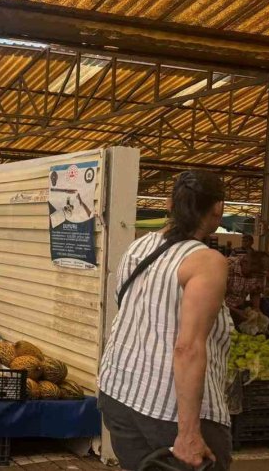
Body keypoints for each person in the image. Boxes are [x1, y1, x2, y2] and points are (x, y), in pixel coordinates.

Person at [98, 170, 232, 471]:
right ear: (217, 208)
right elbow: (188, 348)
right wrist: (188, 434)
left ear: (171, 204)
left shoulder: (140, 246)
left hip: (118, 391)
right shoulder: (206, 262)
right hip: (168, 409)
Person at [225, 251, 269, 325]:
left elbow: (256, 291)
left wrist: (256, 308)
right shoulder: (227, 266)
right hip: (219, 309)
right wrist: (235, 311)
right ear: (244, 262)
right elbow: (214, 298)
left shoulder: (259, 271)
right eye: (253, 272)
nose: (255, 276)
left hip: (239, 307)